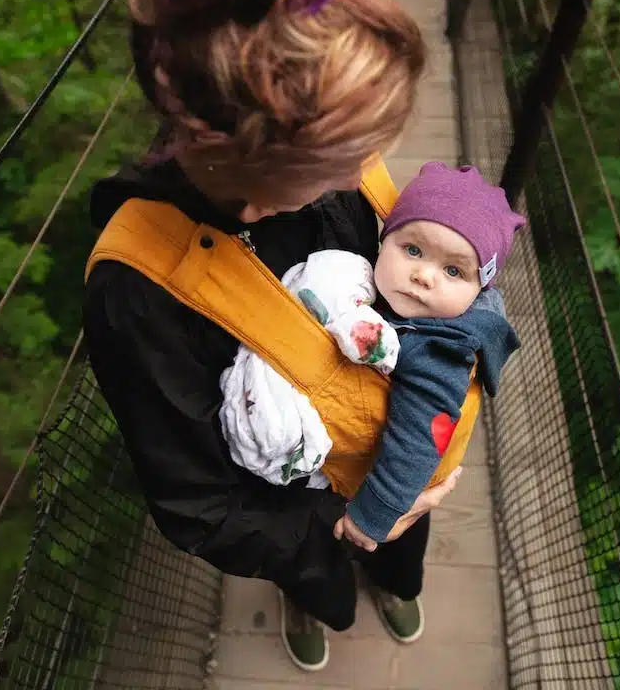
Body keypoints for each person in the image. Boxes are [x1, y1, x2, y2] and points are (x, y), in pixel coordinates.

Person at [82, 0, 464, 673]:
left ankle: (395, 581)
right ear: (262, 185)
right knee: (319, 577)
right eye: (340, 164)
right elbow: (200, 506)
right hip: (299, 512)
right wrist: (352, 522)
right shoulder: (139, 292)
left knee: (402, 550)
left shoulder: (336, 177)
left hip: (394, 446)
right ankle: (317, 599)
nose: (363, 174)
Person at [217, 162, 526, 556]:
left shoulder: (439, 351)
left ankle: (397, 589)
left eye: (453, 270)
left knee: (397, 553)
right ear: (385, 240)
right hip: (372, 467)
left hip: (394, 488)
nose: (424, 276)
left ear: (478, 288)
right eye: (413, 250)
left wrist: (374, 516)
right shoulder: (402, 303)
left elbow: (420, 437)